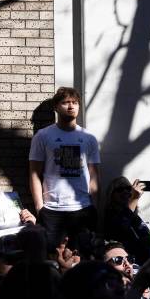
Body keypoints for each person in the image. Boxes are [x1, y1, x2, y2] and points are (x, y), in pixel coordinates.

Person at [28, 86, 100, 248]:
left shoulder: (89, 138)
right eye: (65, 102)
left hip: (83, 209)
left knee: (82, 257)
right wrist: (40, 207)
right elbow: (34, 173)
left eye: (74, 102)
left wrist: (94, 206)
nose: (71, 106)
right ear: (56, 107)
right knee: (52, 257)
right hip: (52, 210)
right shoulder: (43, 136)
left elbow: (94, 175)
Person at [102, 176, 150, 264]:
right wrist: (134, 199)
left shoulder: (134, 215)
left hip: (143, 264)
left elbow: (148, 239)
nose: (125, 191)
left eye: (128, 188)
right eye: (120, 189)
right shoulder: (110, 215)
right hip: (125, 265)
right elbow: (122, 226)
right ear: (112, 194)